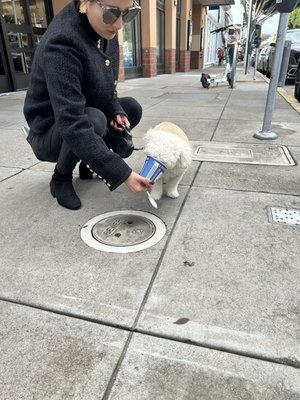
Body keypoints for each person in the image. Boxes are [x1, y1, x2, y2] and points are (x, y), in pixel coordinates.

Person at [23, 0, 153, 210]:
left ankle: (87, 163)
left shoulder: (105, 27)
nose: (120, 24)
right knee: (94, 119)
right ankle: (60, 178)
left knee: (131, 108)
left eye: (128, 13)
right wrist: (122, 173)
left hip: (84, 113)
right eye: (112, 13)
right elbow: (72, 123)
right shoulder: (62, 42)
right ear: (86, 3)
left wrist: (116, 110)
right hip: (50, 131)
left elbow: (106, 87)